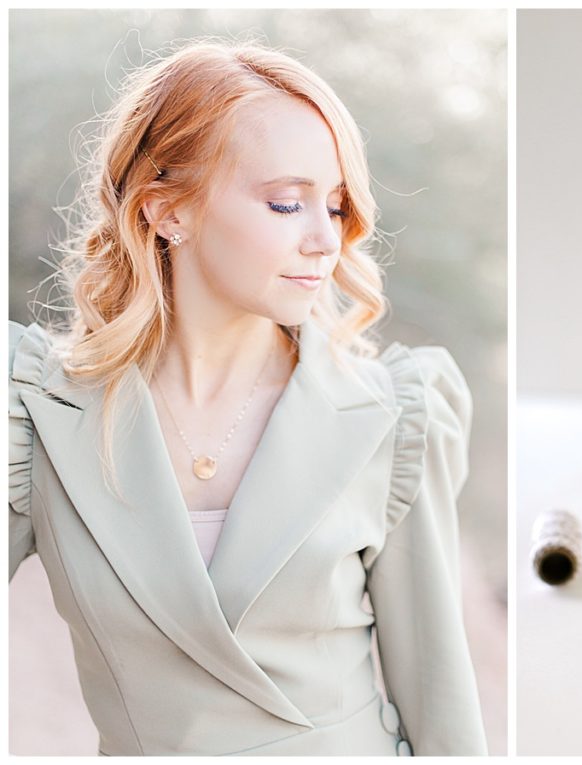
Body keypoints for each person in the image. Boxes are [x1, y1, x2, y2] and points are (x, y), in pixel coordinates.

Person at [8, 39, 488, 756]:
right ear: (167, 211)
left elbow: (444, 710)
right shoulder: (39, 412)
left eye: (335, 204)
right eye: (288, 203)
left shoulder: (393, 415)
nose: (327, 238)